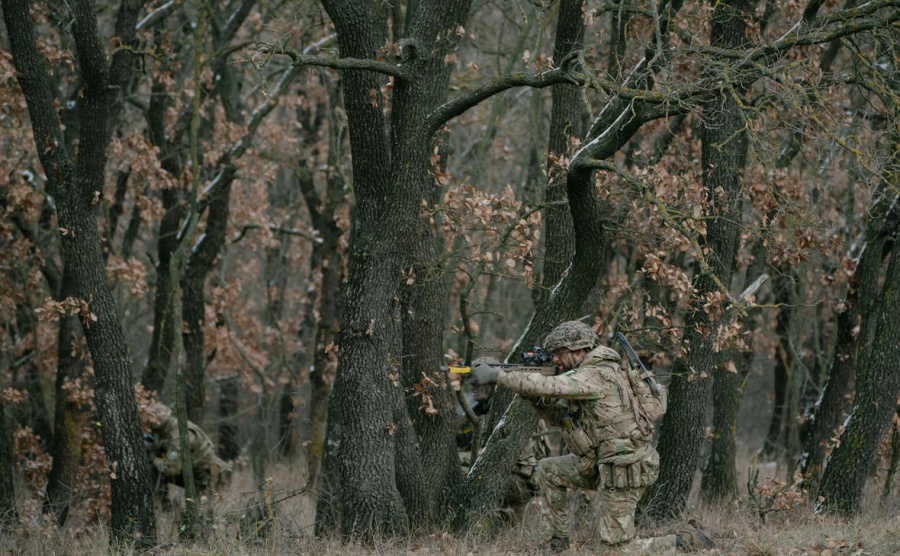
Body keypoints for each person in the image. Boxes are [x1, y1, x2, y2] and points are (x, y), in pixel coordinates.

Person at [470, 321, 711, 553]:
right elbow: (561, 418)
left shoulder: (597, 374)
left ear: (579, 351)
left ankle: (686, 540)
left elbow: (552, 386)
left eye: (559, 353)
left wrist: (498, 376)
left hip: (624, 469)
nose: (555, 359)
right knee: (548, 469)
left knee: (616, 550)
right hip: (600, 463)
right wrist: (536, 401)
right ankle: (559, 542)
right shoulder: (588, 375)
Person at [143, 402, 232, 494]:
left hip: (209, 478)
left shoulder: (178, 435)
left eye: (150, 424)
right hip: (201, 474)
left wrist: (153, 458)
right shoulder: (173, 427)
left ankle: (160, 502)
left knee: (153, 469)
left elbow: (171, 468)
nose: (149, 427)